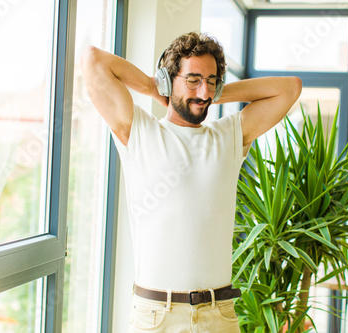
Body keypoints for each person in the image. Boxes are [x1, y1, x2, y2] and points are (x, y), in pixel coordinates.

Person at [81, 32, 301, 333]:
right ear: (169, 78)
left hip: (218, 316)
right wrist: (151, 85)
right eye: (193, 79)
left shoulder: (229, 136)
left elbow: (290, 88)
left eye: (212, 80)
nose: (203, 91)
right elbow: (93, 60)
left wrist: (218, 91)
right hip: (157, 317)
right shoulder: (139, 132)